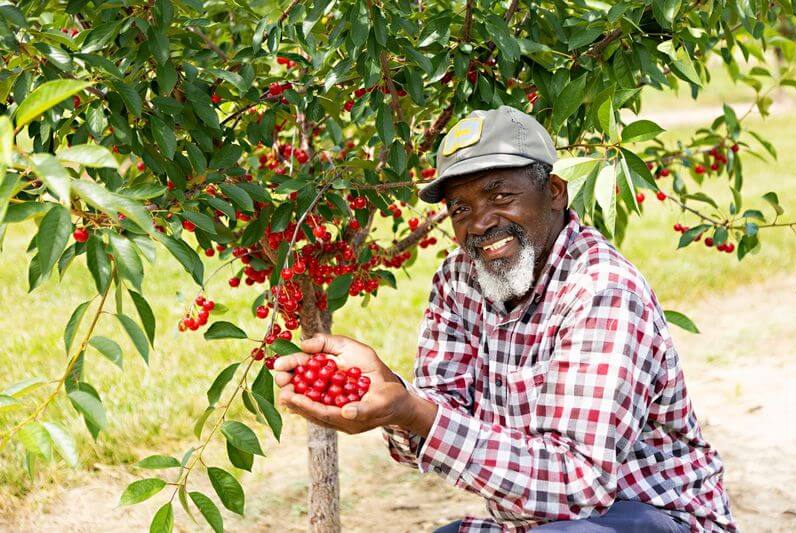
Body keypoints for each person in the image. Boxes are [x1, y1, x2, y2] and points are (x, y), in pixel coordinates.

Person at [273, 105, 737, 532]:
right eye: (461, 209)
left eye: (500, 195)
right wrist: (386, 395)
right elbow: (436, 423)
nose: (479, 222)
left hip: (654, 517)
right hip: (538, 523)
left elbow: (579, 488)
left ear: (554, 193)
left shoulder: (601, 290)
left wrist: (415, 412)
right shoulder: (459, 280)